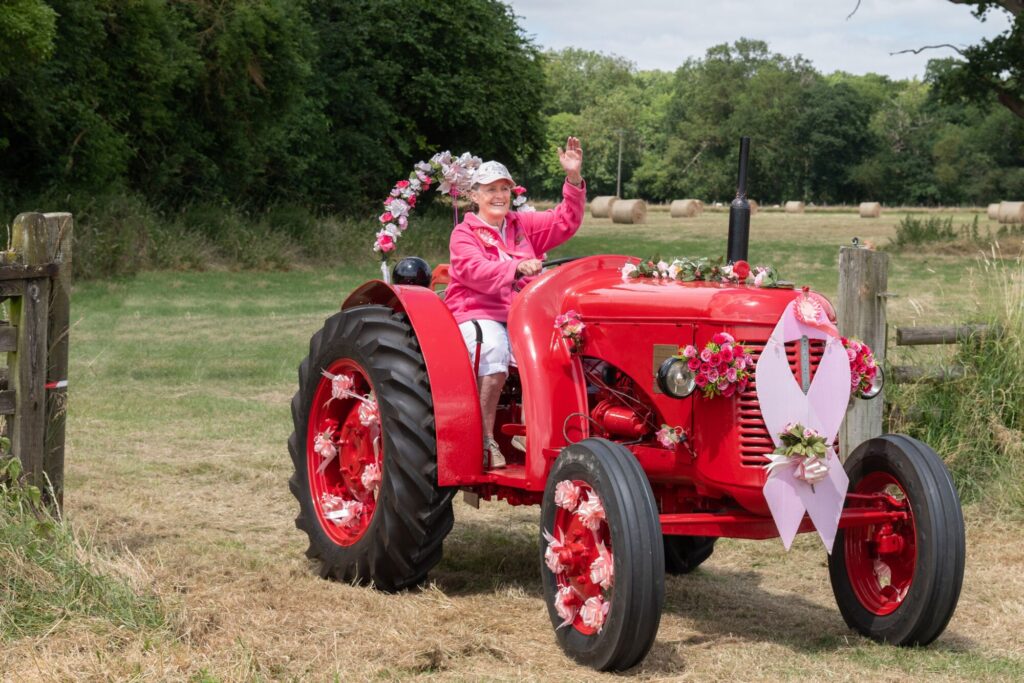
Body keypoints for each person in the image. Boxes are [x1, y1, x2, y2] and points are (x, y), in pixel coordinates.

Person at [444, 137, 585, 468]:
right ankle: (483, 437)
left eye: (504, 189)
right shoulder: (464, 234)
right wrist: (515, 267)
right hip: (478, 312)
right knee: (492, 348)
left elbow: (566, 220)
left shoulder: (522, 225)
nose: (498, 196)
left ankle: (559, 438)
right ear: (474, 195)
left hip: (525, 314)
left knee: (569, 350)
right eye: (490, 189)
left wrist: (574, 178)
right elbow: (473, 270)